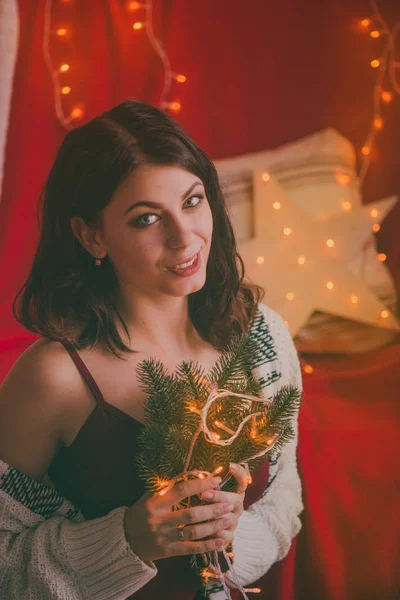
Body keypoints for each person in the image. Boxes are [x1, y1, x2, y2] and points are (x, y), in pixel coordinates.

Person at [0, 99, 304, 599]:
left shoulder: (263, 339)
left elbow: (282, 504)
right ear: (91, 236)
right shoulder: (55, 378)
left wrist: (228, 542)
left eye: (192, 201)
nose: (185, 239)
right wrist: (127, 542)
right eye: (146, 219)